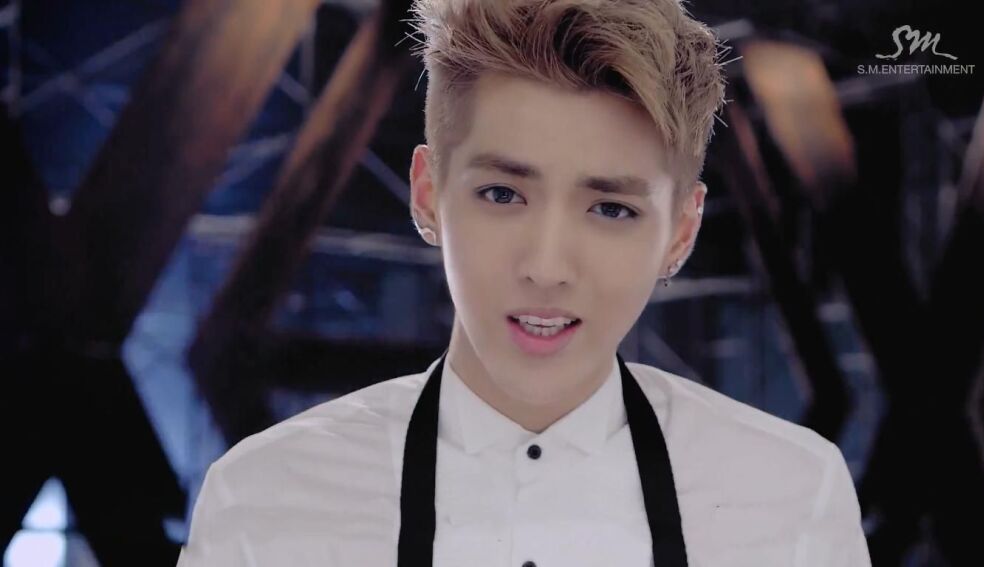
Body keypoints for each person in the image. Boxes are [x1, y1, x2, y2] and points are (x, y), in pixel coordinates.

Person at [178, 0, 871, 565]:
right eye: (503, 194)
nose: (546, 266)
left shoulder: (793, 497)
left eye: (611, 209)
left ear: (680, 233)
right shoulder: (262, 500)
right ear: (428, 193)